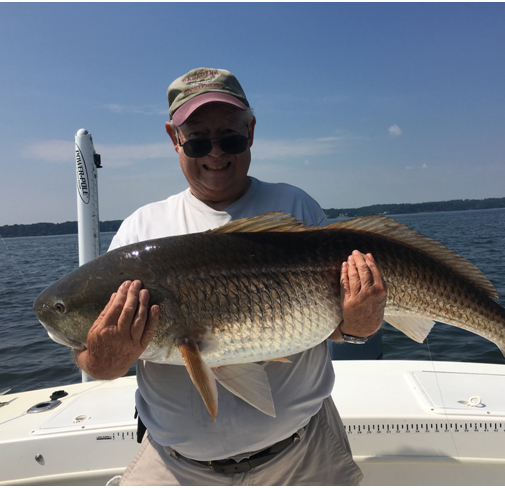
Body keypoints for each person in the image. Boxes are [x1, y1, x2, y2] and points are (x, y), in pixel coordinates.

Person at [75, 68, 387, 485]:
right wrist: (104, 355)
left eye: (230, 137)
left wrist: (360, 326)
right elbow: (98, 365)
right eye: (199, 139)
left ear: (251, 131)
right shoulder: (140, 231)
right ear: (174, 138)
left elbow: (329, 323)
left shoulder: (296, 208)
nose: (216, 153)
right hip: (174, 466)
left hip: (303, 456)